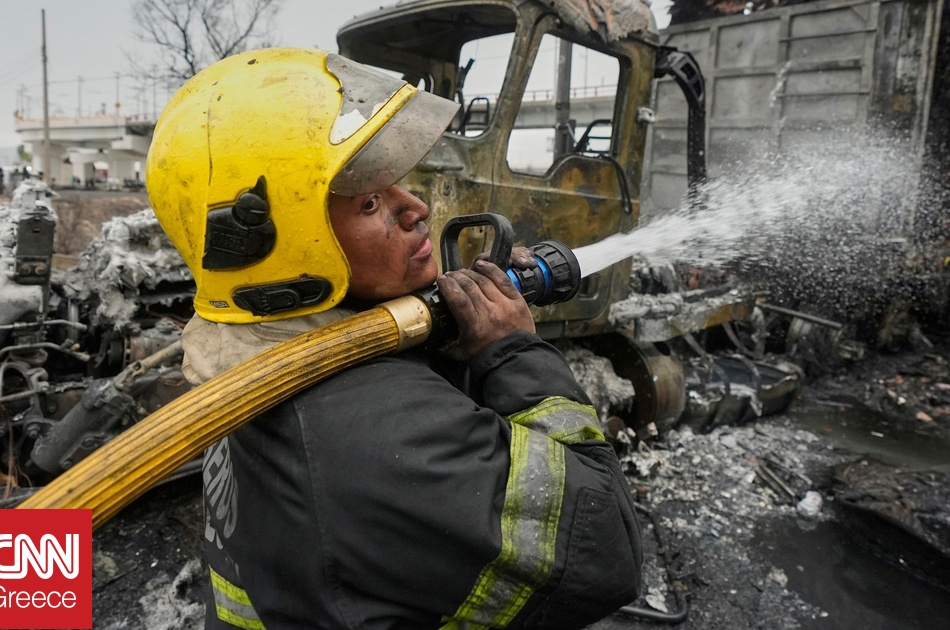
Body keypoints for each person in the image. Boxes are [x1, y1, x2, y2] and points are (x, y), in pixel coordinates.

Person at [147, 48, 642, 630]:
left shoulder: (253, 358)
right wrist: (510, 353)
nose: (418, 208)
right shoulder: (378, 430)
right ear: (292, 246)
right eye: (371, 202)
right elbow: (606, 548)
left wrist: (449, 344)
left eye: (397, 185)